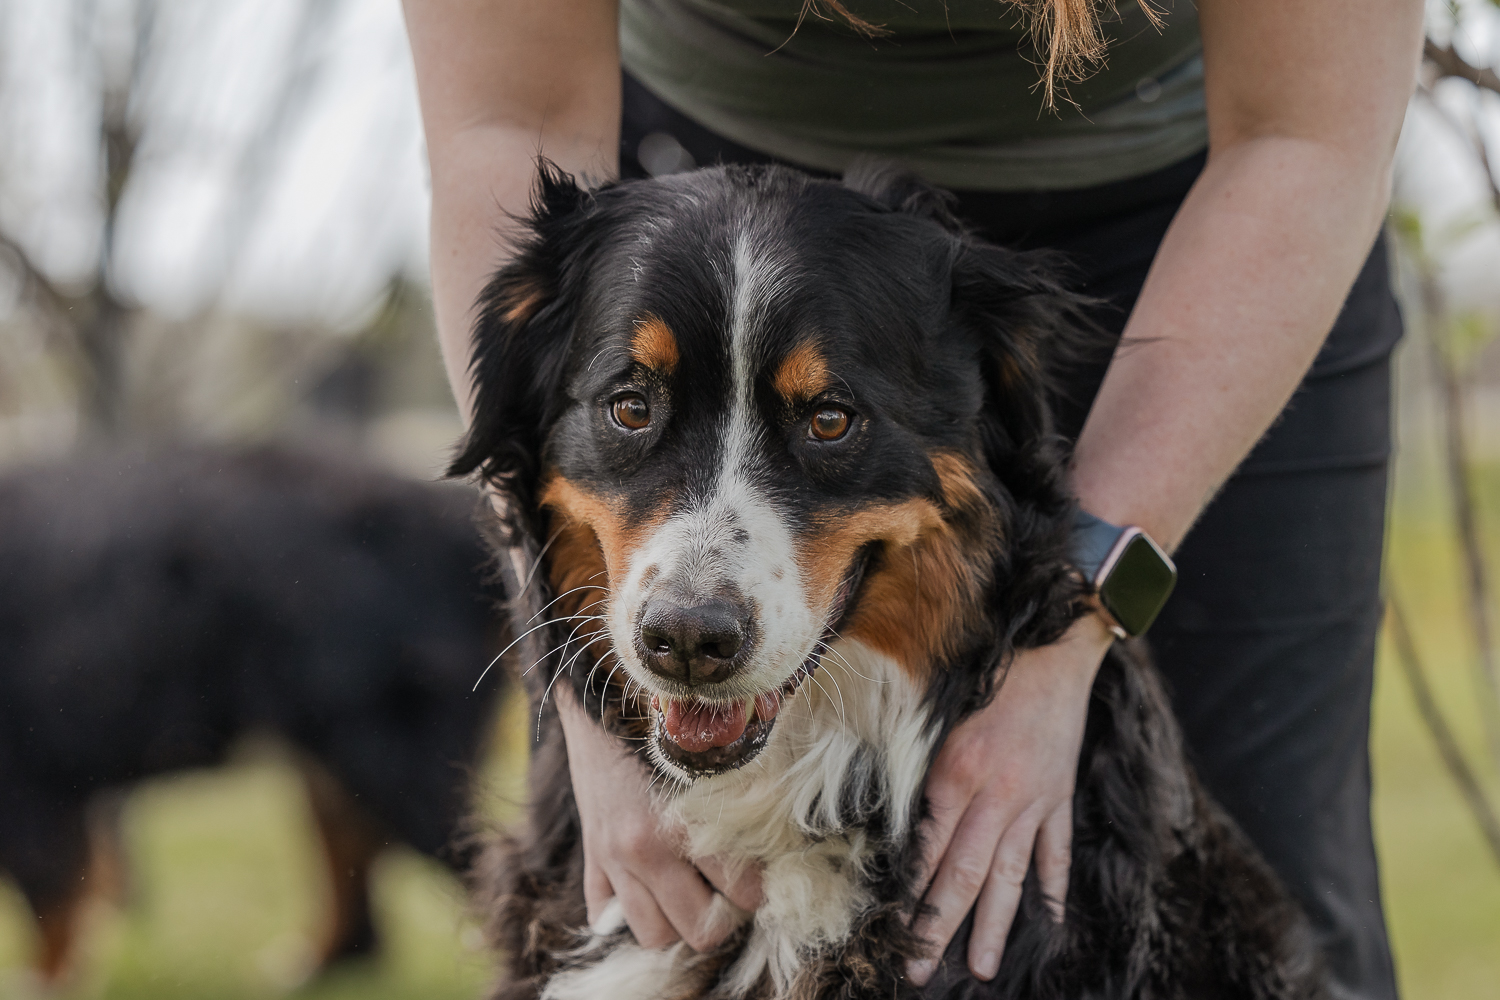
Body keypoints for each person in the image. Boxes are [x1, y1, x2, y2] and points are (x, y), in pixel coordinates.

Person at [401, 2, 1422, 996]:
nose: (696, 597)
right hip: (680, 181)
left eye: (826, 421)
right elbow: (507, 120)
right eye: (633, 403)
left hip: (1217, 209)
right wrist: (582, 702)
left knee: (1281, 876)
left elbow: (1309, 133)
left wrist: (1071, 622)